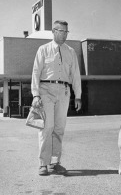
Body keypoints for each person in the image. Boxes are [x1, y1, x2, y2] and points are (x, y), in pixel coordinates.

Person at [31, 20, 82, 176]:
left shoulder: (71, 52)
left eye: (67, 32)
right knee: (47, 127)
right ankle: (43, 164)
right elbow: (35, 73)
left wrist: (78, 96)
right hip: (46, 90)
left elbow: (75, 75)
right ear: (54, 31)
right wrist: (36, 95)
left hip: (64, 91)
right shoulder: (43, 49)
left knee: (59, 128)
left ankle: (54, 163)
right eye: (62, 31)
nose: (65, 34)